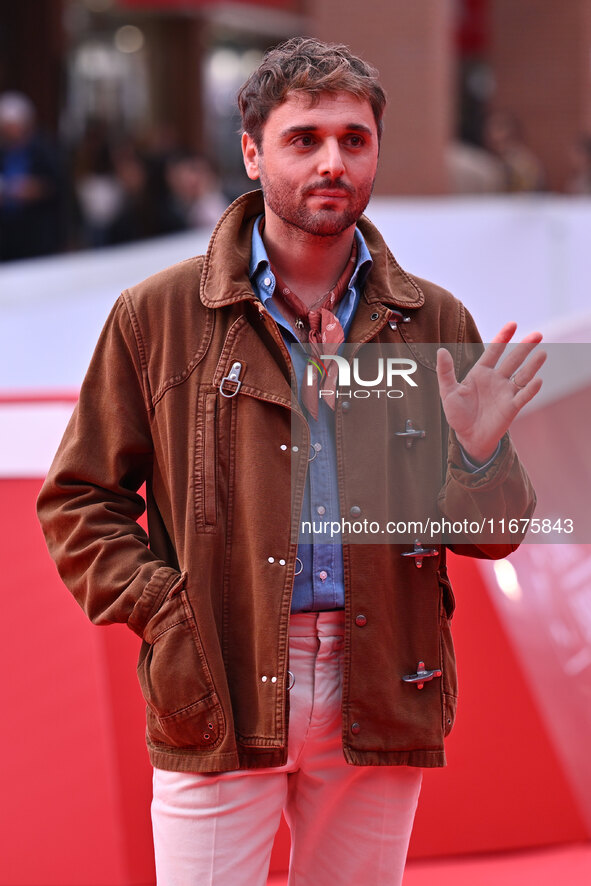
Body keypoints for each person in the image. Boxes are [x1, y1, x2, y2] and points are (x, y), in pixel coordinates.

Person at [37, 38, 545, 886]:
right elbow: (78, 500)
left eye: (354, 139)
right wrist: (171, 614)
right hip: (216, 682)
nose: (332, 161)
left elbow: (492, 538)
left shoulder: (431, 319)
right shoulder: (157, 314)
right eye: (303, 138)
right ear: (251, 151)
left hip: (380, 683)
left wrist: (477, 453)